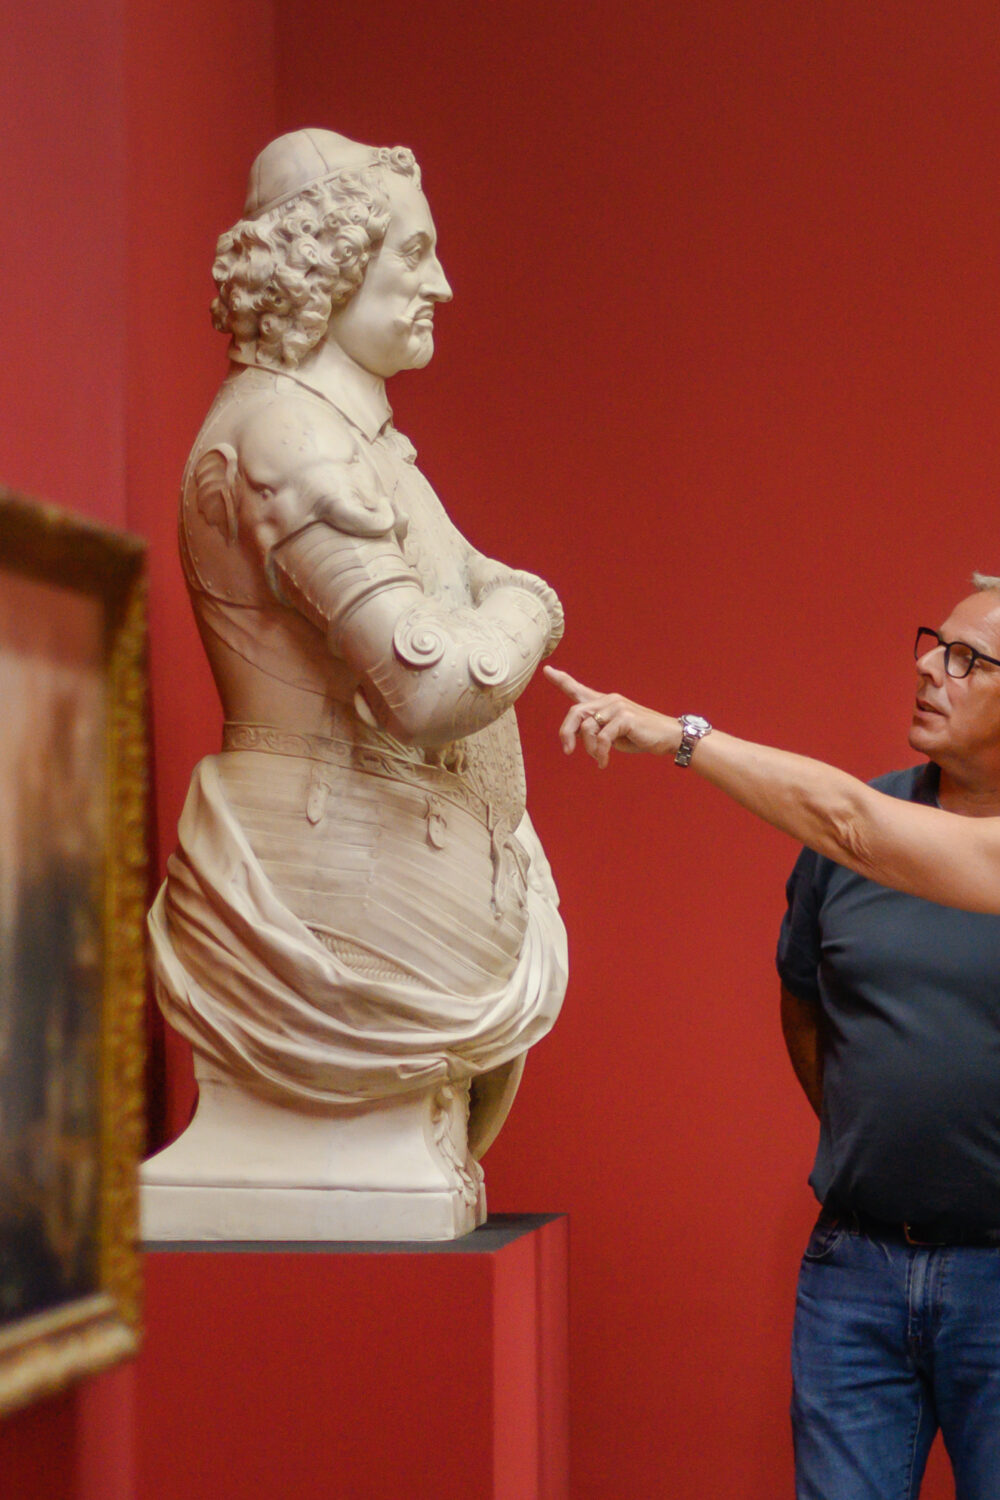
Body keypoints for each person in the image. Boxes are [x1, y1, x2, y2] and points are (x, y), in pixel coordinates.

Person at [145, 129, 568, 1239]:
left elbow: (462, 601)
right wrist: (535, 605)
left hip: (395, 870)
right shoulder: (287, 438)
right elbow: (427, 689)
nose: (443, 284)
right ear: (329, 270)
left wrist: (495, 602)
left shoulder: (361, 442)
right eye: (413, 254)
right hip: (329, 891)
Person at [547, 577, 1000, 1500]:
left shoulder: (877, 831)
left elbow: (851, 823)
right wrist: (871, 1138)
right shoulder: (862, 833)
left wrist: (680, 736)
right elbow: (806, 998)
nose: (928, 667)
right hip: (858, 1264)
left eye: (966, 659)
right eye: (934, 643)